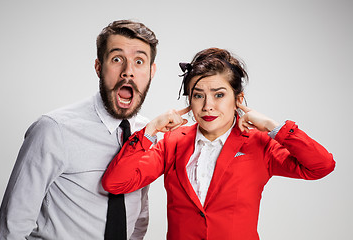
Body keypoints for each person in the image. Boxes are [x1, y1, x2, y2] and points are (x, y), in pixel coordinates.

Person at [101, 48, 335, 240]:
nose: (207, 106)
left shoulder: (259, 144)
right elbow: (116, 183)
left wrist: (274, 127)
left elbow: (320, 166)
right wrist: (149, 130)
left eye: (219, 94)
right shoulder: (172, 143)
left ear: (239, 99)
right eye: (198, 95)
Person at [0, 20, 158, 240]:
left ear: (151, 71)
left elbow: (139, 216)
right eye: (117, 59)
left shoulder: (148, 134)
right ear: (99, 67)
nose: (128, 72)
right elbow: (12, 226)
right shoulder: (53, 129)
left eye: (139, 61)